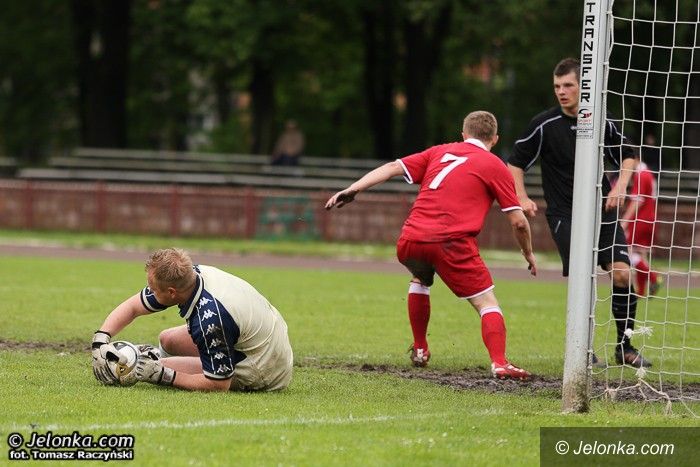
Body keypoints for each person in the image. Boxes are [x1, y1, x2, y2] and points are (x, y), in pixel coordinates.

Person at [326, 111, 537, 380]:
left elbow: (392, 167)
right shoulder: (495, 165)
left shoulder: (439, 152)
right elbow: (519, 222)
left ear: (464, 135)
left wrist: (353, 189)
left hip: (411, 239)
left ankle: (420, 348)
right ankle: (500, 362)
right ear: (495, 139)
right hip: (451, 243)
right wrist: (528, 252)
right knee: (486, 302)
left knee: (420, 278)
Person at [507, 57, 651, 368]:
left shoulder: (600, 120)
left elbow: (629, 155)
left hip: (603, 210)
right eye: (557, 86)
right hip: (565, 214)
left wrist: (620, 186)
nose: (561, 91)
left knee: (623, 273)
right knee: (583, 279)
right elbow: (514, 163)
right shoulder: (544, 125)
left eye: (568, 85)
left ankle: (625, 347)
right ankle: (582, 349)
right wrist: (522, 197)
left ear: (582, 87)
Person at [91, 248, 293, 391]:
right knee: (167, 339)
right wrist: (100, 339)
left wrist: (162, 374)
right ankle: (159, 359)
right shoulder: (191, 275)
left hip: (264, 367)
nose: (149, 291)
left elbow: (219, 384)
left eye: (153, 289)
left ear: (171, 292)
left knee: (152, 367)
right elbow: (133, 307)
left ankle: (157, 362)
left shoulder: (211, 320)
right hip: (264, 340)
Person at [621, 155, 662, 296]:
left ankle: (654, 277)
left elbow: (637, 201)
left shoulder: (641, 175)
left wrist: (625, 221)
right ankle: (641, 291)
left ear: (635, 159)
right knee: (641, 254)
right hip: (650, 219)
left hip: (641, 220)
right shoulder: (648, 173)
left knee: (629, 251)